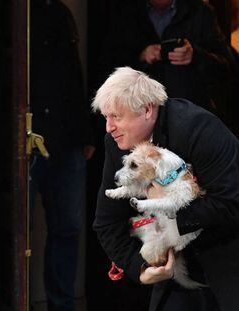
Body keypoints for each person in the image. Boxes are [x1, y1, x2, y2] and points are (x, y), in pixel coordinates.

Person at [92, 66, 239, 311]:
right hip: (177, 262)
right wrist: (140, 267)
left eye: (116, 116)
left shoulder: (198, 127)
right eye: (106, 117)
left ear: (147, 109)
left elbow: (232, 201)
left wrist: (170, 214)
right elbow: (106, 222)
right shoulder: (117, 142)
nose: (109, 127)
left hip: (228, 248)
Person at [29, 1, 95, 310]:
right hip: (26, 137)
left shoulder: (59, 11)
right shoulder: (19, 13)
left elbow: (73, 75)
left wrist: (85, 131)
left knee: (67, 226)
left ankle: (62, 304)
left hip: (67, 138)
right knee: (19, 228)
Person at [97, 0, 235, 112]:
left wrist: (195, 56)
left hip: (189, 118)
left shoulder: (200, 12)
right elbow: (106, 66)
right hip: (138, 116)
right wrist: (141, 56)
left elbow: (226, 67)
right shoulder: (125, 12)